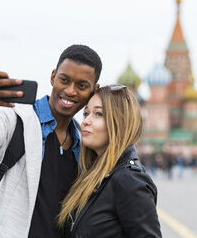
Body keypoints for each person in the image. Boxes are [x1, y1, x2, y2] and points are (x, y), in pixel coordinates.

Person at [0, 44, 102, 237]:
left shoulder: (83, 143)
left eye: (82, 86)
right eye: (64, 80)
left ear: (94, 89)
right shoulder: (14, 118)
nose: (70, 91)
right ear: (53, 76)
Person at [57, 85, 162, 237]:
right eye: (86, 113)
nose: (86, 121)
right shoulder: (91, 175)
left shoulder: (129, 180)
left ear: (119, 122)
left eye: (98, 114)